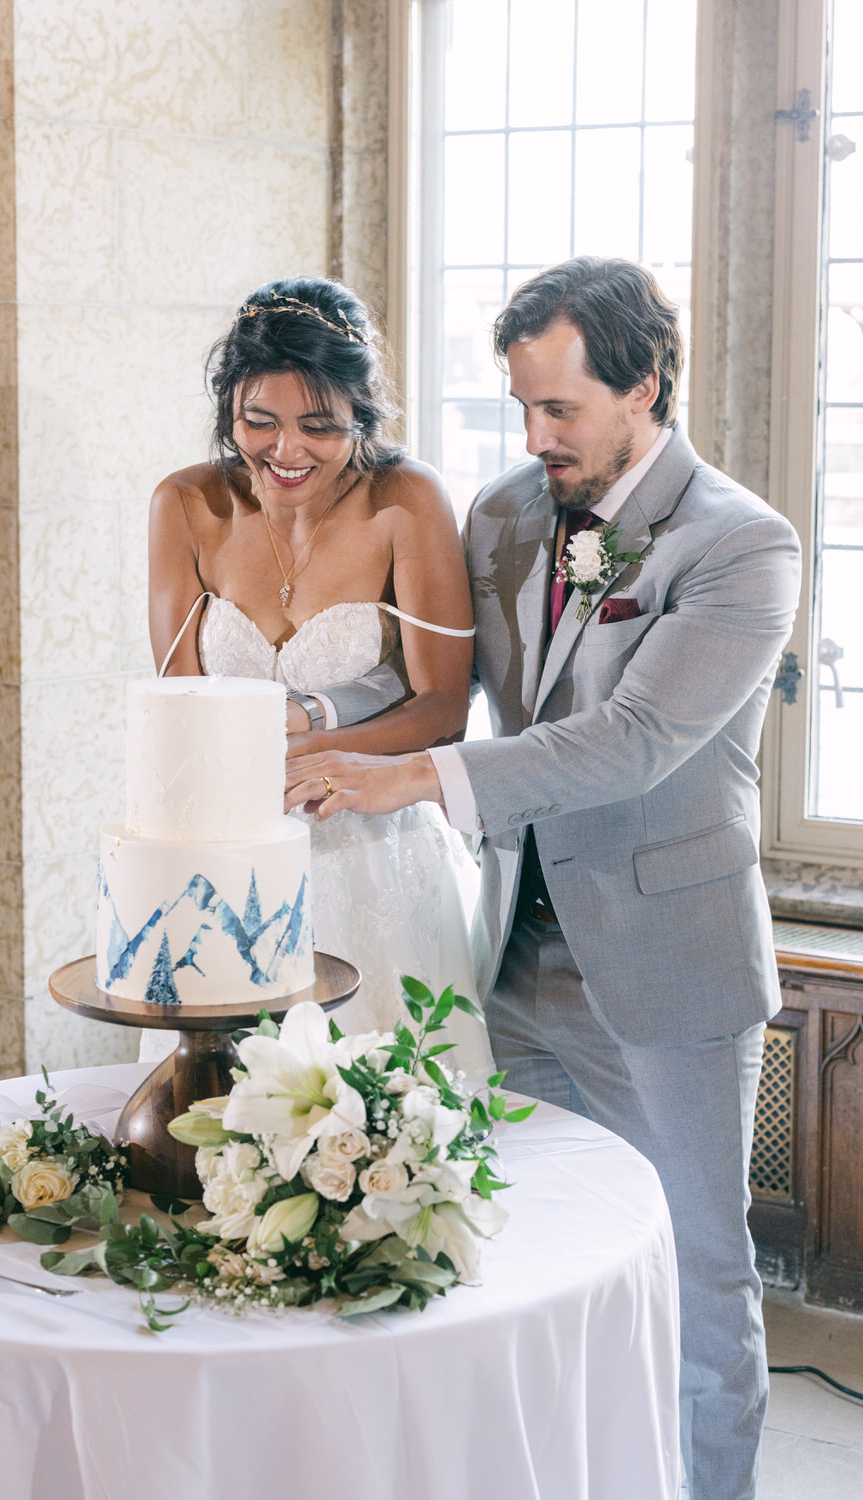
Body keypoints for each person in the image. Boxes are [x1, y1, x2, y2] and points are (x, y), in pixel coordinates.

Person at [286, 257, 802, 1500]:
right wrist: (312, 716)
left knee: (695, 1274)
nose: (534, 437)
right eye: (519, 406)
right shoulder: (511, 513)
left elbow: (630, 742)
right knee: (530, 1252)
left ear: (645, 384)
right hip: (507, 960)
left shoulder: (741, 544)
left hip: (667, 973)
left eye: (559, 409)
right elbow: (439, 690)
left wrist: (411, 785)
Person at [144, 274, 492, 1073]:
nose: (286, 451)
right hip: (226, 846)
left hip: (371, 849)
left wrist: (314, 743)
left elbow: (442, 708)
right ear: (229, 405)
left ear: (361, 416)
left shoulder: (405, 500)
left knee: (381, 1115)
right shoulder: (186, 504)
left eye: (319, 426)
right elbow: (177, 704)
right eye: (257, 422)